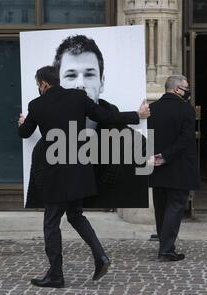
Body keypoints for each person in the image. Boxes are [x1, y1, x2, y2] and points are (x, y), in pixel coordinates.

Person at [18, 66, 150, 288]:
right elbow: (106, 116)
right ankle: (100, 257)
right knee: (76, 215)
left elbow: (25, 133)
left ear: (43, 84)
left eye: (38, 85)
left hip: (55, 174)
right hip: (79, 170)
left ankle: (56, 275)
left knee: (51, 223)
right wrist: (137, 115)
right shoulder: (78, 98)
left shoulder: (37, 105)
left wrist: (22, 123)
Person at [26, 34, 148, 208]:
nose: (80, 84)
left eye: (89, 74)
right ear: (58, 84)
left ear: (102, 82)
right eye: (71, 75)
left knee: (65, 219)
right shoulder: (41, 148)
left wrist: (137, 115)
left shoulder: (134, 144)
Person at [147, 75, 200, 262]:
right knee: (175, 207)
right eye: (186, 87)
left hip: (156, 166)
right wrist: (166, 156)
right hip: (178, 166)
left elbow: (147, 137)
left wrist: (157, 156)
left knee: (161, 207)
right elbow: (185, 140)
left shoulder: (152, 108)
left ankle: (164, 243)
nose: (188, 91)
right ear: (177, 89)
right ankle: (167, 249)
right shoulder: (186, 109)